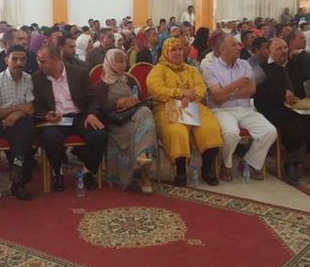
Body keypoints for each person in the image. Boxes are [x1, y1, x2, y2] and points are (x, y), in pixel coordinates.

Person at [256, 38, 310, 185]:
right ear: (269, 51)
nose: (284, 51)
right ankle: (291, 163)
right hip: (274, 107)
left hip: (299, 106)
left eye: (285, 47)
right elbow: (259, 95)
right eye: (279, 49)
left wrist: (301, 53)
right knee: (293, 123)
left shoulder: (294, 65)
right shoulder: (262, 68)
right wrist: (281, 94)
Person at [147, 38, 223, 186]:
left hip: (193, 105)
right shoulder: (158, 70)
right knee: (177, 132)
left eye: (180, 49)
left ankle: (207, 169)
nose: (177, 53)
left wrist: (191, 95)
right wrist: (180, 93)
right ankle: (180, 171)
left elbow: (201, 87)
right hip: (167, 106)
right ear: (165, 52)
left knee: (211, 128)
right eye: (173, 50)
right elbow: (155, 90)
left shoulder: (191, 69)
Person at [32, 46, 107, 191]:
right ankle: (57, 173)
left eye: (43, 61)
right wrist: (46, 115)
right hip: (56, 119)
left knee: (99, 136)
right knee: (49, 138)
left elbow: (93, 98)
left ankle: (88, 171)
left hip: (80, 116)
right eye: (38, 61)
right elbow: (36, 106)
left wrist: (92, 113)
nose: (39, 65)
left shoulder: (79, 73)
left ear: (56, 59)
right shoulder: (37, 78)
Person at [203, 38, 276, 182]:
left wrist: (227, 94)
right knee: (230, 133)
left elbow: (251, 89)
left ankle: (249, 162)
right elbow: (216, 96)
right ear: (223, 49)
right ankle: (226, 165)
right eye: (234, 45)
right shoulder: (210, 68)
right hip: (222, 111)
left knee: (269, 131)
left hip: (244, 109)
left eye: (239, 44)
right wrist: (236, 85)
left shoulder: (245, 64)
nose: (239, 47)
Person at [94, 49, 157, 193]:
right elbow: (99, 109)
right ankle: (144, 174)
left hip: (134, 116)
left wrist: (134, 101)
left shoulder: (129, 80)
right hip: (116, 122)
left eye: (124, 61)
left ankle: (142, 158)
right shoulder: (101, 85)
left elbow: (140, 100)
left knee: (145, 111)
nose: (123, 65)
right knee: (142, 130)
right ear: (110, 63)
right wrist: (117, 104)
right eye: (118, 62)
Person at [0, 45, 38, 200]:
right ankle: (19, 173)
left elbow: (31, 107)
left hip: (20, 122)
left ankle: (17, 171)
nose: (19, 63)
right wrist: (18, 109)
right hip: (0, 124)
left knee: (24, 127)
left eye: (22, 59)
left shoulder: (29, 79)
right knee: (25, 132)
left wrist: (16, 114)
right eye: (14, 59)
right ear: (6, 60)